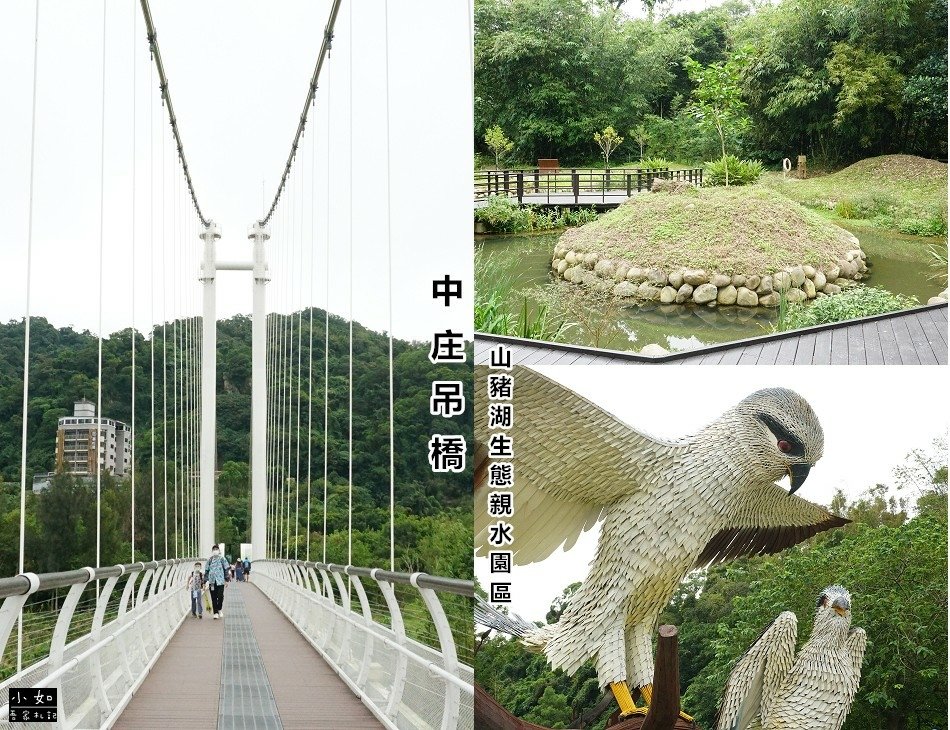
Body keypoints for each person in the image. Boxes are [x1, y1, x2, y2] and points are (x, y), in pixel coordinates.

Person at [204, 544, 228, 619]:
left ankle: (219, 608)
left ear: (219, 551)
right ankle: (215, 613)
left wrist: (226, 580)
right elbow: (206, 571)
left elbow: (226, 569)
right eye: (214, 549)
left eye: (216, 549)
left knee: (220, 596)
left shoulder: (222, 559)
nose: (215, 551)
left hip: (220, 581)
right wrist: (204, 582)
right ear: (212, 551)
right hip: (212, 581)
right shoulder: (210, 560)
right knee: (213, 597)